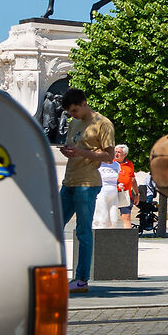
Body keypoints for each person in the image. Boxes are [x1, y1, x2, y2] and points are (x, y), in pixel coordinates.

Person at [56, 87, 115, 290]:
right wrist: (68, 152)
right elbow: (76, 149)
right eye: (70, 112)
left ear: (84, 103)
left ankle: (81, 279)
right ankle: (54, 272)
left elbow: (109, 156)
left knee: (83, 230)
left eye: (74, 111)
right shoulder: (75, 123)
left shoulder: (103, 124)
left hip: (87, 183)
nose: (72, 115)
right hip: (69, 181)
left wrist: (81, 152)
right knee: (53, 226)